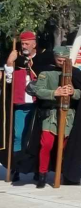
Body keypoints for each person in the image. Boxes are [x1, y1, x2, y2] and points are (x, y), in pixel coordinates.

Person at [25, 46, 81, 188]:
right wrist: (54, 92)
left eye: (64, 60)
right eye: (59, 60)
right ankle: (42, 174)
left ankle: (62, 172)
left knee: (64, 146)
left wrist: (73, 91)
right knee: (46, 144)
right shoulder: (46, 72)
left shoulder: (75, 72)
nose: (62, 62)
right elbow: (38, 90)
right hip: (50, 115)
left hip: (68, 115)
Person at [3, 31, 55, 180]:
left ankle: (38, 170)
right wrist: (9, 63)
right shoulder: (16, 59)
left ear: (34, 44)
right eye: (22, 43)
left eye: (27, 43)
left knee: (36, 138)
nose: (24, 46)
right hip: (20, 103)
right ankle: (16, 167)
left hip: (37, 104)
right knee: (18, 136)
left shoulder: (42, 59)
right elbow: (8, 81)